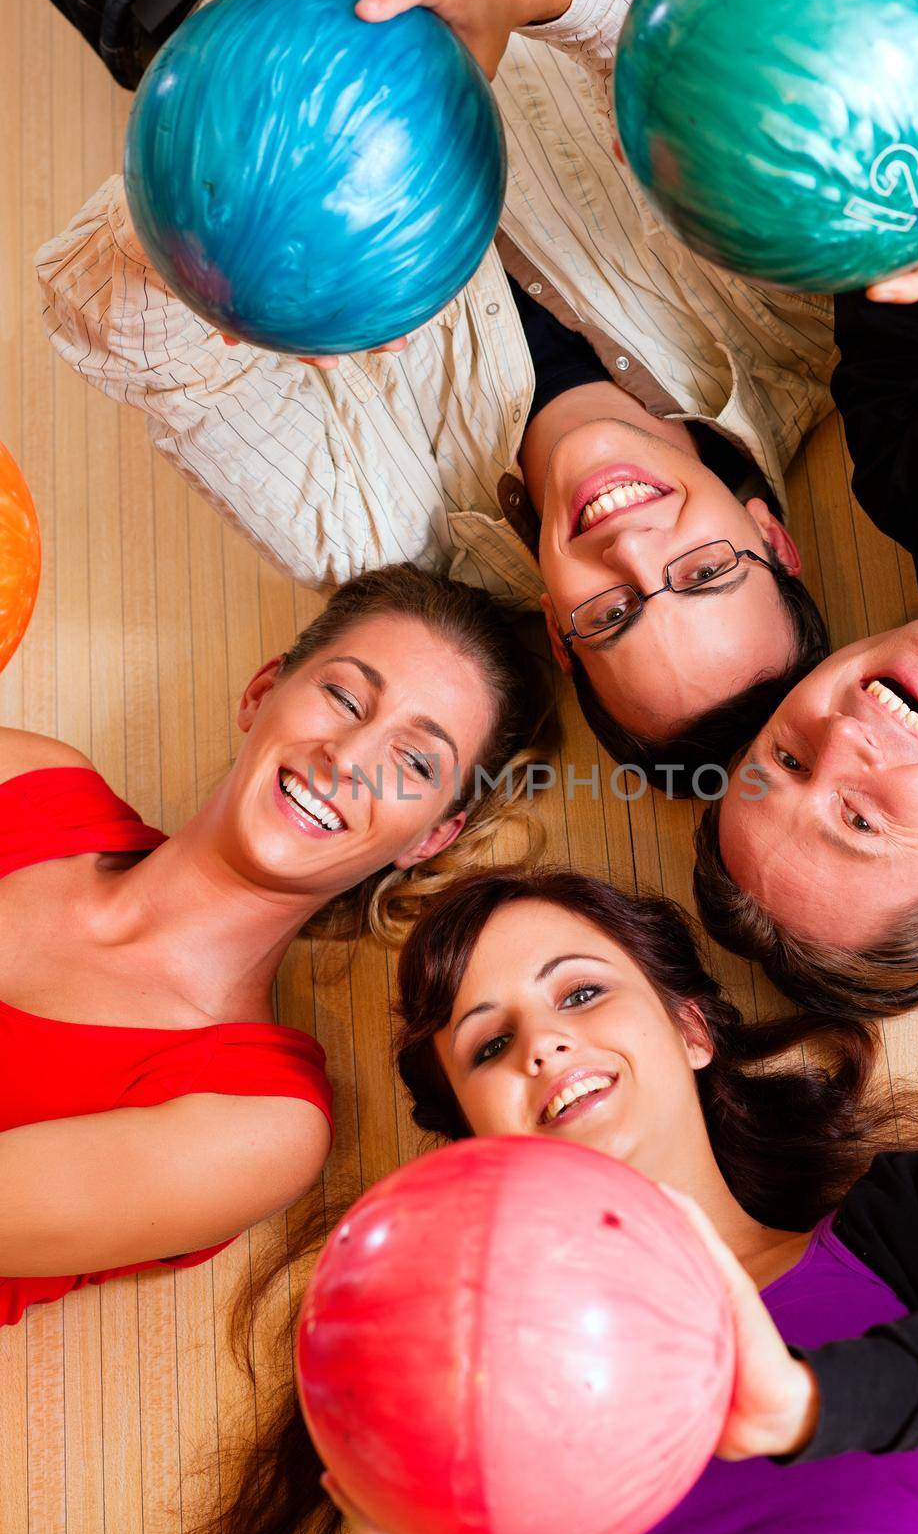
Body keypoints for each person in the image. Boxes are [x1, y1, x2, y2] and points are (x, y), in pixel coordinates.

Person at [35, 0, 846, 790]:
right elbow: (707, 30)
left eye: (611, 616)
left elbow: (92, 306)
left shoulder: (371, 534)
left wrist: (212, 273)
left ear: (561, 643)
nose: (631, 548)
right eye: (706, 572)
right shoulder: (800, 319)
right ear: (770, 537)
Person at [192, 867, 918, 1534]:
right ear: (473, 1146)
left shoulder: (910, 1220)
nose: (541, 1044)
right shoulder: (446, 1428)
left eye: (578, 994)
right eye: (489, 1046)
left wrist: (806, 1404)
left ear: (690, 1028)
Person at [0, 566, 548, 1325]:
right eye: (345, 698)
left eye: (416, 763)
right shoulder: (24, 778)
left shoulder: (255, 1120)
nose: (349, 758)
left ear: (429, 837)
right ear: (262, 692)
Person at [693, 85, 918, 1021]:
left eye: (783, 757)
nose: (842, 741)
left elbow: (910, 152)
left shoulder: (906, 451)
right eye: (859, 819)